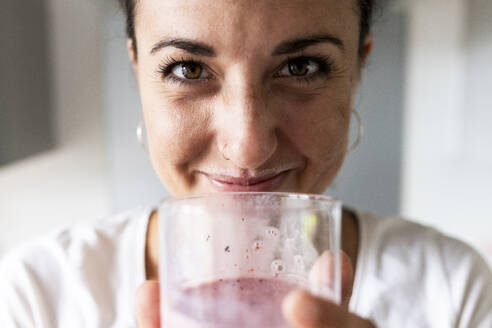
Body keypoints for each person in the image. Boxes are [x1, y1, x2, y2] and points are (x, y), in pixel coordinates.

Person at [1, 0, 491, 327]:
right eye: (187, 69)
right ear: (138, 71)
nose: (249, 144)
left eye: (302, 66)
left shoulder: (452, 290)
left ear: (358, 69)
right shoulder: (33, 296)